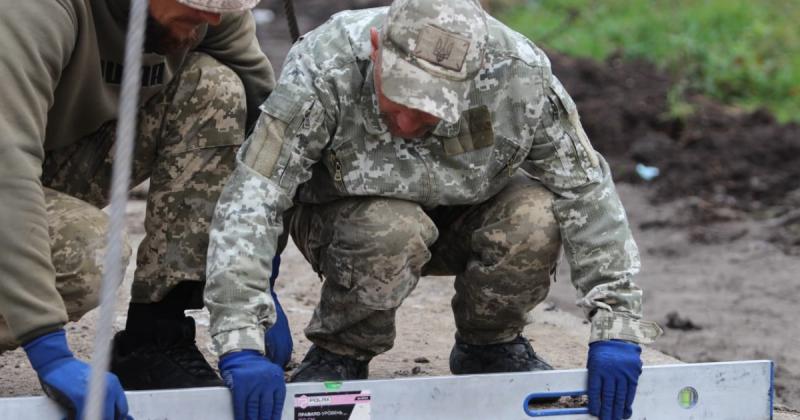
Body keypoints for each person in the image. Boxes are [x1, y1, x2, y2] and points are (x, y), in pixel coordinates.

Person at [205, 0, 663, 419]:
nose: (407, 123)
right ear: (377, 46)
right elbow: (257, 193)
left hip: (464, 214)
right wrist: (242, 333)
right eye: (399, 98)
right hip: (348, 225)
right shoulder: (327, 65)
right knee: (390, 226)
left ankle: (490, 346)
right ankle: (342, 353)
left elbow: (585, 188)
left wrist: (616, 325)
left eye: (430, 110)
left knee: (537, 214)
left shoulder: (519, 74)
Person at [0, 0, 291, 418]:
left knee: (216, 88)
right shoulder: (33, 10)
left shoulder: (212, 14)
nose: (213, 17)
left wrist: (258, 277)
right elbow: (7, 169)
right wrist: (49, 349)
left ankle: (156, 339)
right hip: (8, 164)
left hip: (47, 159)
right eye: (197, 2)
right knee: (88, 255)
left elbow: (270, 133)